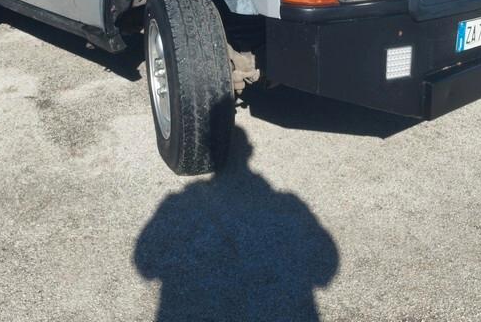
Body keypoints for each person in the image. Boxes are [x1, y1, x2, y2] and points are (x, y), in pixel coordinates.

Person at [134, 127, 339, 321]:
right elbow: (325, 269)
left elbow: (145, 265)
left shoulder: (177, 203)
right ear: (249, 151)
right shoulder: (289, 203)